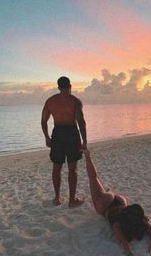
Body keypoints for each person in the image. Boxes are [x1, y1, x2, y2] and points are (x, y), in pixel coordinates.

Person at [82, 149, 151, 255]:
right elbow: (125, 245)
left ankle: (88, 156)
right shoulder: (118, 224)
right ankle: (87, 156)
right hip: (105, 207)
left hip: (121, 201)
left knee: (96, 179)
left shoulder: (137, 217)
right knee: (93, 178)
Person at [41, 76, 87, 207]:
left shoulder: (51, 101)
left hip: (59, 134)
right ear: (70, 86)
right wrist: (84, 141)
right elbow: (81, 123)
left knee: (59, 167)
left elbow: (43, 121)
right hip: (71, 133)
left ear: (59, 87)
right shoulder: (75, 101)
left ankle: (58, 198)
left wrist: (47, 137)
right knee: (69, 168)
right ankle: (70, 200)